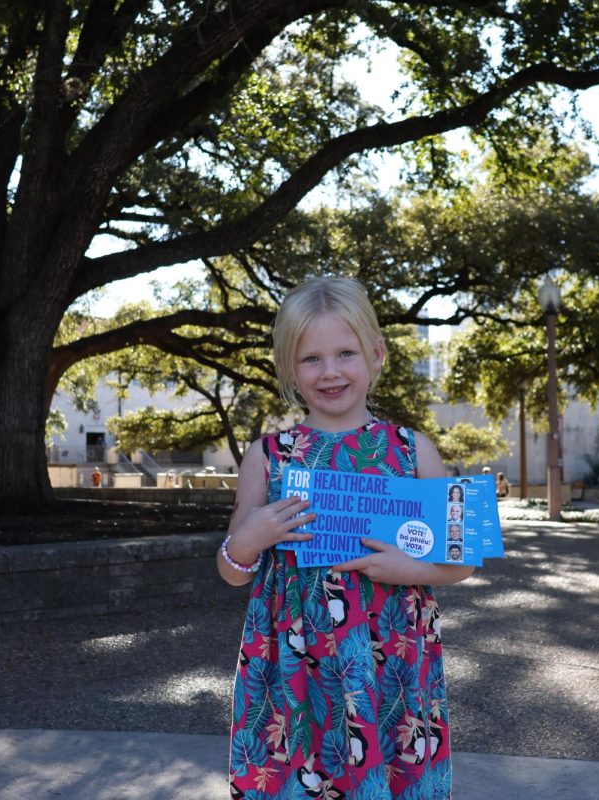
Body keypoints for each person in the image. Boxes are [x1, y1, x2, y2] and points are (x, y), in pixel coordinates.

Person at [218, 276, 472, 798]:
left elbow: (462, 560)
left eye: (345, 353)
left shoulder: (413, 451)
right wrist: (252, 536)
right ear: (289, 367)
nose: (330, 371)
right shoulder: (266, 458)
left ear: (376, 354)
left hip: (391, 657)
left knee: (388, 774)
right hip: (292, 660)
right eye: (311, 359)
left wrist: (410, 570)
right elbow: (230, 567)